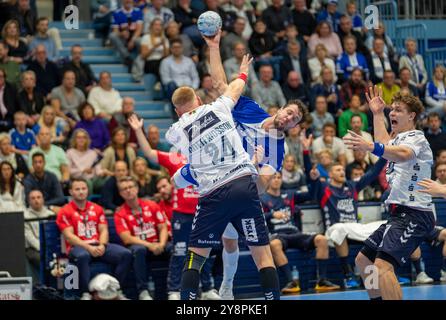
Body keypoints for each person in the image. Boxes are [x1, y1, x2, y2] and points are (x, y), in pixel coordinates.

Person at [165, 40, 282, 300]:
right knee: (262, 255)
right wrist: (242, 71)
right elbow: (235, 88)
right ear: (197, 98)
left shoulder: (175, 130)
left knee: (195, 257)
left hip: (212, 194)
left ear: (176, 111)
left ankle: (187, 305)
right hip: (243, 184)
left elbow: (178, 159)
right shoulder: (218, 106)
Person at [350, 87, 435, 300]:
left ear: (412, 115)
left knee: (383, 266)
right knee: (363, 261)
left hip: (415, 213)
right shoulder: (397, 138)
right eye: (392, 109)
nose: (392, 113)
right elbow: (385, 145)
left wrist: (371, 147)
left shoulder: (416, 137)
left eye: (398, 110)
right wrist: (377, 114)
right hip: (398, 214)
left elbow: (404, 155)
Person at [128, 115, 222, 300]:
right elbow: (149, 153)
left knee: (205, 250)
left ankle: (207, 289)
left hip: (203, 212)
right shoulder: (174, 158)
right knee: (179, 252)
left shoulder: (209, 157)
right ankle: (174, 290)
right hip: (182, 215)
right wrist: (138, 130)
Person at [302, 130, 388, 289]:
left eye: (342, 170)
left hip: (354, 227)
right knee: (340, 230)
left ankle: (375, 275)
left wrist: (385, 152)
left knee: (384, 225)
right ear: (329, 174)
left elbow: (373, 172)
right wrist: (306, 153)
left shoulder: (352, 186)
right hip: (334, 228)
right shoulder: (324, 188)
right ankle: (348, 275)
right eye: (337, 170)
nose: (342, 172)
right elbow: (310, 176)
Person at [262, 171, 339, 293]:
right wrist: (272, 214)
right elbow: (256, 216)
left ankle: (322, 281)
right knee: (274, 245)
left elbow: (311, 195)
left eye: (279, 177)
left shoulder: (289, 194)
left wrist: (313, 180)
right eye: (273, 177)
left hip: (295, 232)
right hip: (278, 234)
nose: (276, 180)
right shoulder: (263, 198)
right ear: (268, 180)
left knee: (322, 240)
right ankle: (291, 282)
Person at [56, 178, 132, 300]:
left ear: (88, 191)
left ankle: (117, 290)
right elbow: (69, 237)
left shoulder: (97, 208)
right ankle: (85, 294)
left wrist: (102, 245)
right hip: (78, 247)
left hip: (97, 244)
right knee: (83, 256)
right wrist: (89, 248)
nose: (81, 192)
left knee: (126, 254)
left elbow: (103, 230)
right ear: (71, 192)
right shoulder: (65, 211)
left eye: (84, 188)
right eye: (77, 189)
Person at [114, 176, 169, 300]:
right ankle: (143, 292)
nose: (128, 190)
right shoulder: (120, 213)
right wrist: (149, 245)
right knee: (139, 250)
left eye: (131, 187)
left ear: (137, 188)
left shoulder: (152, 205)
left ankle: (176, 289)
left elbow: (163, 227)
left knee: (175, 248)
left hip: (157, 245)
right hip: (140, 247)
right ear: (121, 193)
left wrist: (161, 243)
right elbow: (127, 238)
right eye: (124, 189)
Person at [24, 189, 54, 279]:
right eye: (33, 198)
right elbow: (29, 238)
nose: (36, 200)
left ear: (43, 199)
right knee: (43, 259)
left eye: (38, 197)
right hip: (33, 249)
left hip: (50, 247)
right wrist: (44, 250)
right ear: (29, 201)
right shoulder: (25, 216)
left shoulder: (50, 214)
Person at [159, 38, 199, 104]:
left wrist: (193, 88)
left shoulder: (189, 61)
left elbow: (195, 77)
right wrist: (180, 88)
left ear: (182, 48)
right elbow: (165, 79)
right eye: (174, 47)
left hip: (190, 87)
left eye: (178, 47)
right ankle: (176, 112)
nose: (176, 49)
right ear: (171, 49)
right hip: (174, 89)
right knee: (171, 86)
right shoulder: (165, 62)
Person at [66, 128, 106, 194]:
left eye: (84, 137)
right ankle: (87, 203)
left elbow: (98, 168)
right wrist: (83, 170)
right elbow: (68, 171)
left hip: (93, 179)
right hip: (77, 179)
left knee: (108, 180)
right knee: (87, 183)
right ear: (75, 140)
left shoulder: (92, 153)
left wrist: (102, 173)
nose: (81, 140)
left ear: (87, 140)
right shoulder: (70, 152)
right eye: (78, 138)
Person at [109, 0, 143, 68]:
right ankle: (127, 57)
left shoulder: (138, 11)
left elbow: (139, 29)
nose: (128, 1)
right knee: (112, 35)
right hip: (123, 39)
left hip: (134, 37)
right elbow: (115, 30)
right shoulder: (116, 13)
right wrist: (121, 34)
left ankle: (142, 59)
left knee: (140, 40)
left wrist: (132, 40)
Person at [0, 68, 19, 133]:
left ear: (5, 78)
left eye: (1, 76)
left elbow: (16, 105)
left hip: (10, 117)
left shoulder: (12, 88)